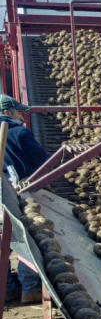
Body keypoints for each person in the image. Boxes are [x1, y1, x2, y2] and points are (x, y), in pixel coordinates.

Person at [0, 95, 47, 303]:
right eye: (19, 112)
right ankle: (30, 287)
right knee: (25, 237)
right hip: (19, 191)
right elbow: (43, 164)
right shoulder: (20, 133)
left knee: (3, 240)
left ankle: (7, 288)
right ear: (8, 112)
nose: (21, 116)